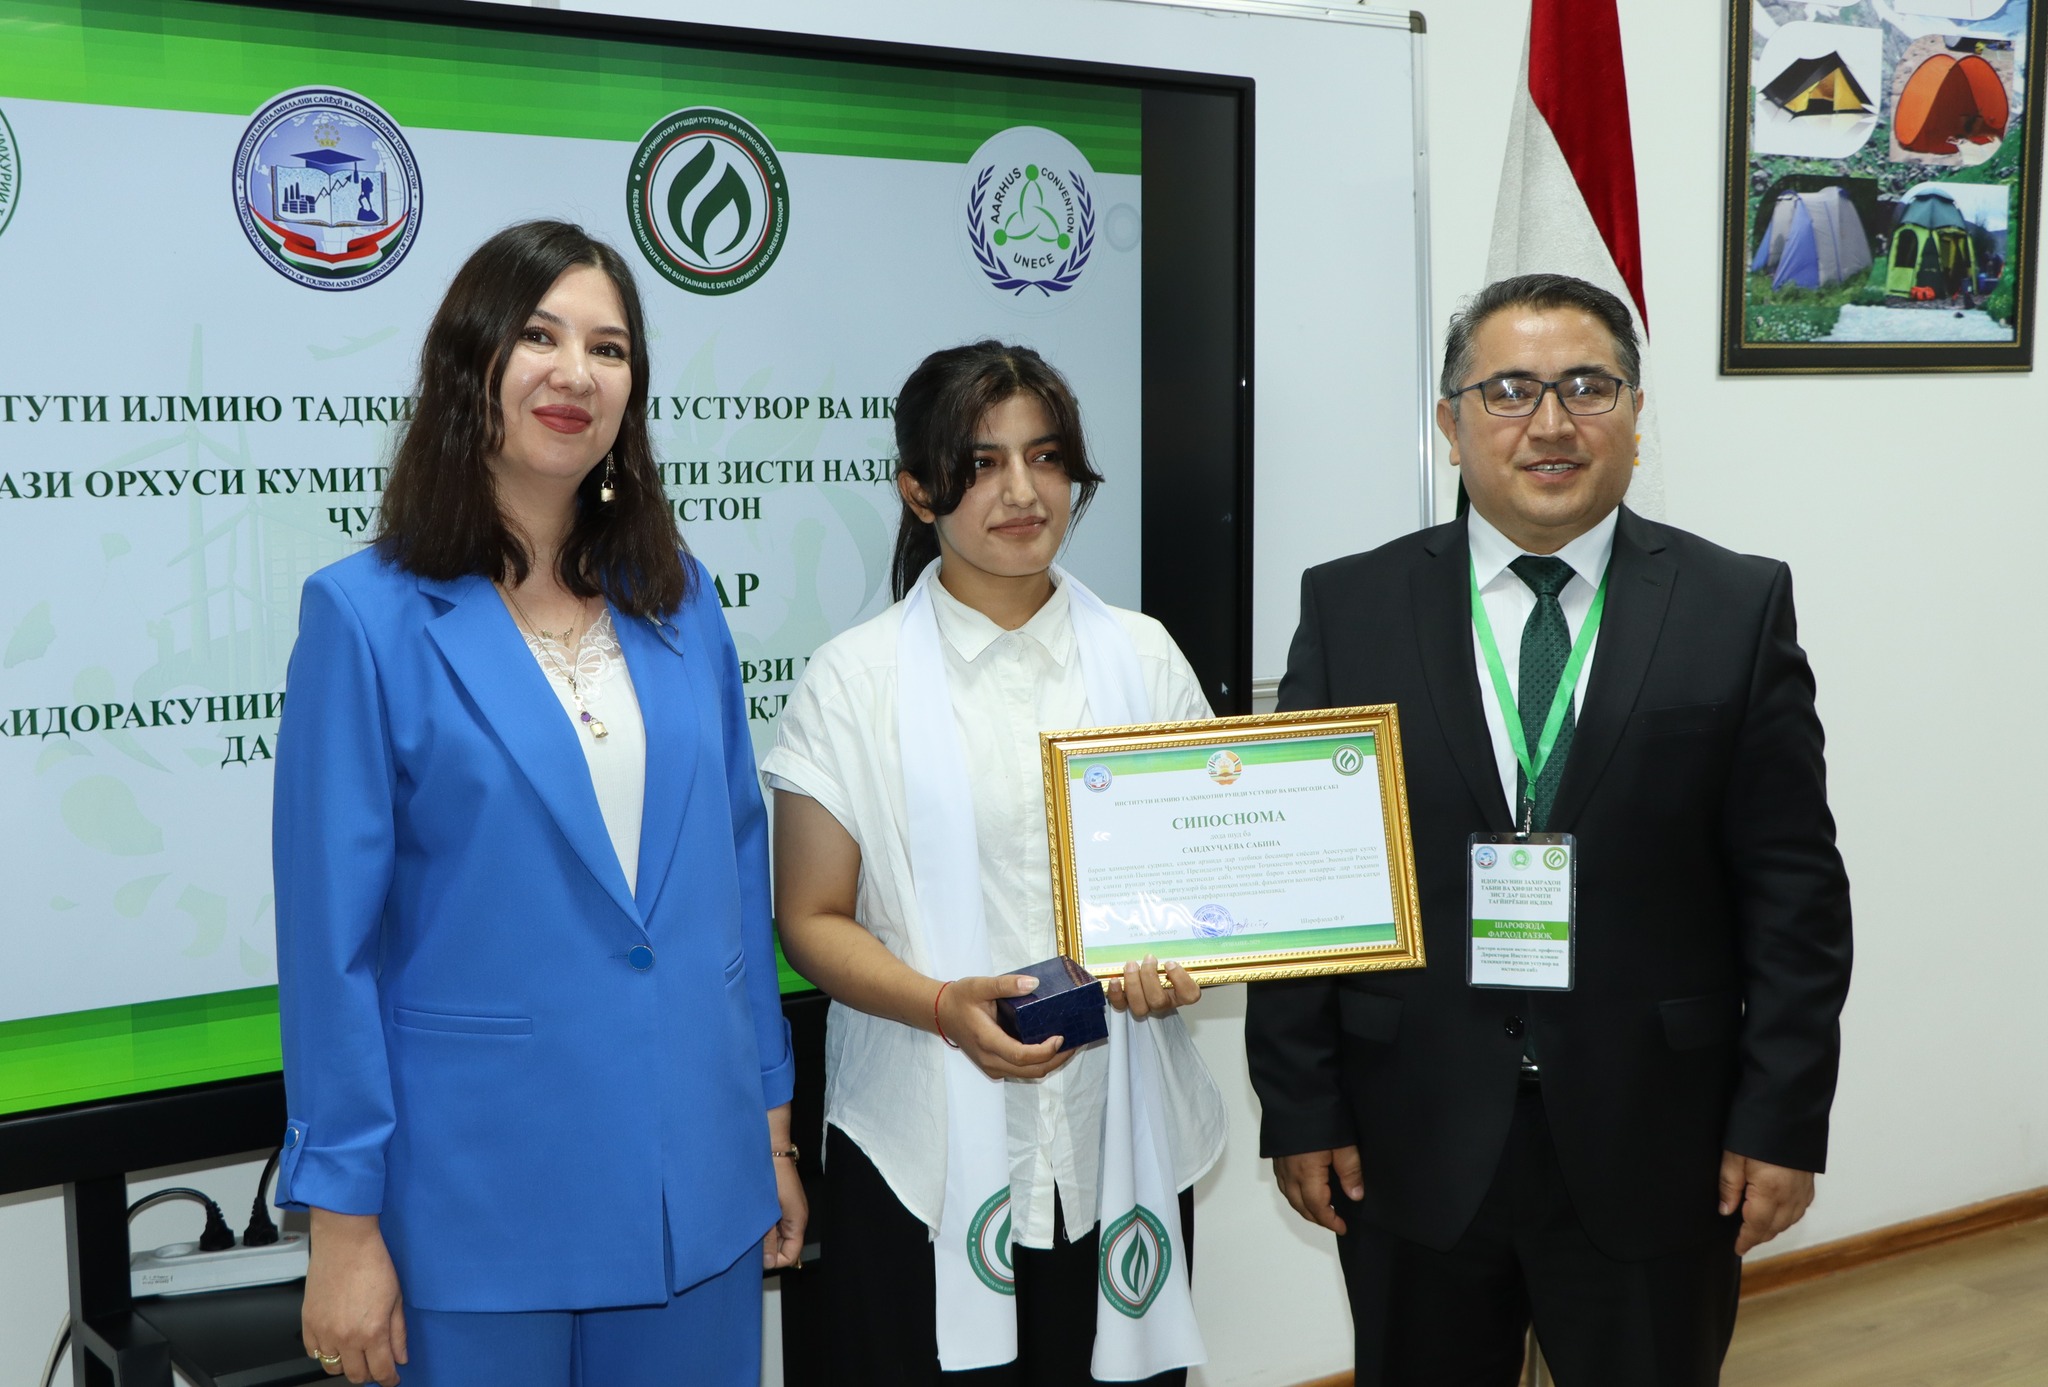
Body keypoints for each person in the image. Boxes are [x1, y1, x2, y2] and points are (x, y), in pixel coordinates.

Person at [1245, 273, 1853, 1386]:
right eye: (1510, 389)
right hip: (1409, 1135)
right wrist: (1299, 1103)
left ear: (1633, 415)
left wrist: (1780, 1117)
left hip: (1657, 1140)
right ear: (1450, 423)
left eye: (1587, 386)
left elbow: (1794, 895)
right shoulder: (1349, 606)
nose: (1551, 422)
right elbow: (1302, 881)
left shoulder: (1734, 605)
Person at [270, 220, 803, 1387]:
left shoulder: (682, 598)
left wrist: (768, 1125)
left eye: (608, 348)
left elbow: (732, 864)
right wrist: (342, 1226)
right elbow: (329, 949)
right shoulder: (364, 618)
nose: (576, 373)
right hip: (476, 1204)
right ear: (470, 367)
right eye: (539, 337)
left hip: (695, 1185)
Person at [767, 341, 1226, 1386]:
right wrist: (941, 1004)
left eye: (1045, 456)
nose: (1022, 490)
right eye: (981, 463)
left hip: (1120, 1142)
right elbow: (810, 915)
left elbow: (1206, 884)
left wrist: (1192, 958)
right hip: (919, 1149)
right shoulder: (853, 679)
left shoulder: (1144, 656)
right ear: (917, 489)